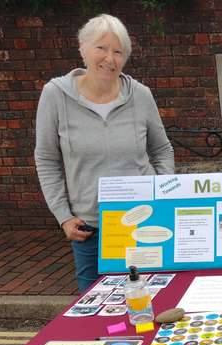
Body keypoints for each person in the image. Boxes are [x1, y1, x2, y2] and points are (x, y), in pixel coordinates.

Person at [34, 14, 174, 292]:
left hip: (144, 221)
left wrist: (163, 194)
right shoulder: (55, 95)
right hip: (91, 228)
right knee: (97, 309)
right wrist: (63, 215)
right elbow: (47, 159)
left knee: (153, 298)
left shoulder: (141, 95)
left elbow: (162, 149)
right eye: (101, 48)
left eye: (118, 51)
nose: (110, 58)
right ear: (82, 48)